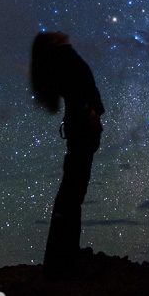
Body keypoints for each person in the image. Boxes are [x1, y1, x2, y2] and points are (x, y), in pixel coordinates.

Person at [30, 31, 105, 280]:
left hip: (79, 127)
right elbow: (77, 89)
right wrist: (89, 113)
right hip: (82, 126)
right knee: (72, 192)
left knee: (72, 192)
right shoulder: (64, 58)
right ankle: (63, 260)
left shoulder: (61, 58)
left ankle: (61, 257)